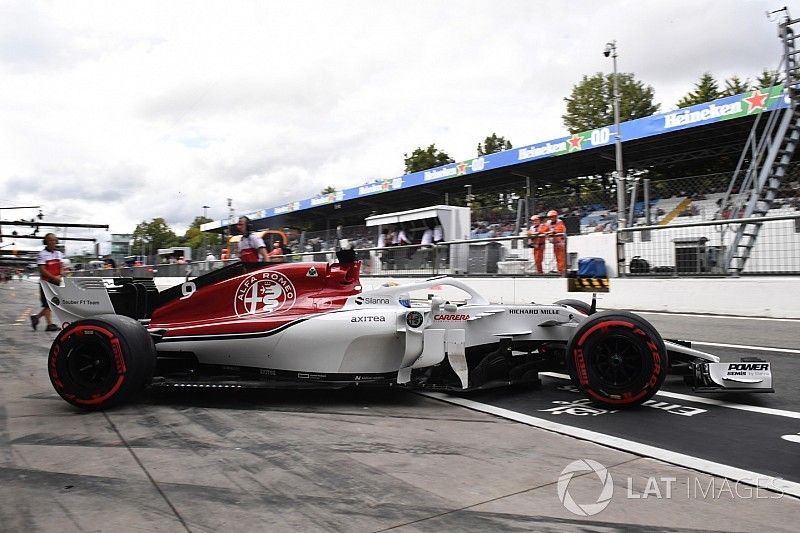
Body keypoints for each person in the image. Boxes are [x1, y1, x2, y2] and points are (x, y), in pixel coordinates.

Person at [31, 233, 64, 332]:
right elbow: (42, 270)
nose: (53, 242)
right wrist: (54, 277)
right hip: (46, 282)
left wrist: (60, 275)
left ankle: (36, 318)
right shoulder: (42, 254)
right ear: (46, 242)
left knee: (52, 303)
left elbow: (61, 266)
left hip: (56, 282)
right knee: (48, 304)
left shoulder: (59, 253)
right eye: (50, 240)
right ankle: (49, 325)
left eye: (54, 240)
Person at [545, 209, 567, 274]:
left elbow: (560, 229)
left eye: (553, 216)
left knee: (561, 257)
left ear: (556, 216)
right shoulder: (548, 223)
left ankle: (561, 271)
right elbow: (545, 230)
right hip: (554, 242)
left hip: (560, 242)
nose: (552, 218)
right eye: (550, 217)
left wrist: (552, 232)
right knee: (557, 257)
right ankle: (559, 270)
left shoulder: (560, 222)